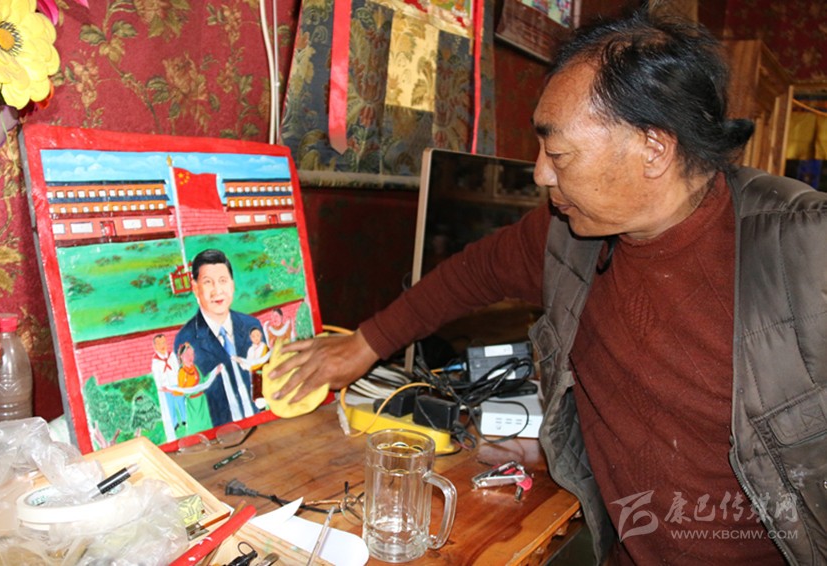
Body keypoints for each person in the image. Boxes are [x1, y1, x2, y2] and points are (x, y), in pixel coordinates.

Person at [268, 10, 827, 565]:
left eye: (558, 154)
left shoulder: (807, 253)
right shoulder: (568, 233)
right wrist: (363, 344)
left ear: (653, 148)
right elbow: (473, 273)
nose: (540, 173)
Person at [174, 249, 263, 427]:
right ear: (195, 288)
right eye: (208, 282)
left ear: (232, 284)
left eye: (223, 280)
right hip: (219, 433)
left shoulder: (252, 326)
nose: (217, 291)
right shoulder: (187, 339)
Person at [151, 333, 183, 440]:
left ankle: (184, 419)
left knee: (180, 401)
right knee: (170, 406)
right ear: (155, 346)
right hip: (165, 388)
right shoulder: (156, 361)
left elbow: (177, 368)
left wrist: (179, 381)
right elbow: (157, 376)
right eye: (159, 344)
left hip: (175, 384)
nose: (162, 346)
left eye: (164, 342)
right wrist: (161, 387)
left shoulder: (171, 356)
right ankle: (174, 423)